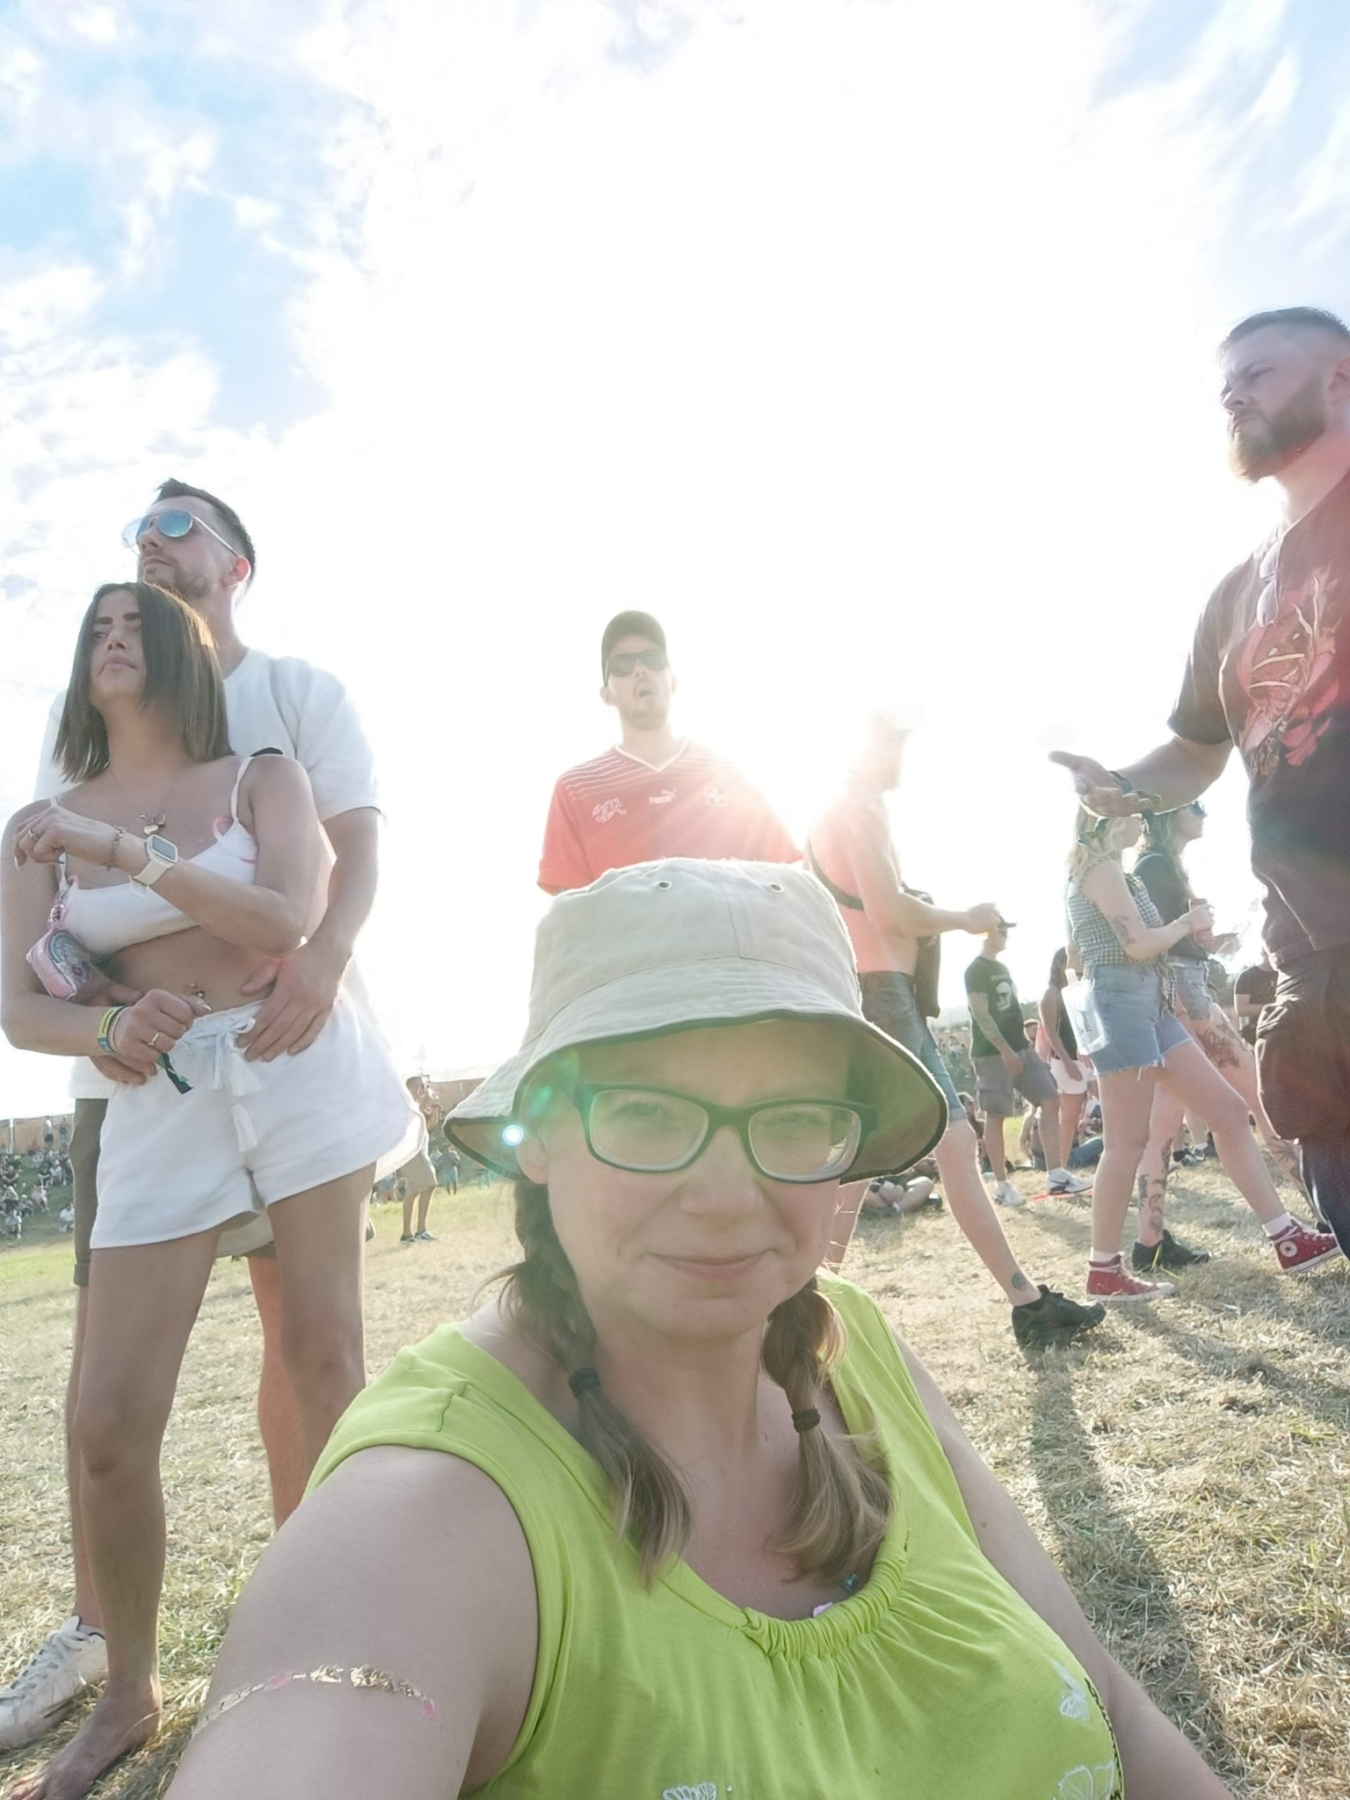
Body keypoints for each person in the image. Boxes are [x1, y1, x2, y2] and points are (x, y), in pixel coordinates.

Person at [169, 859, 1233, 1800]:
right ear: (540, 1138)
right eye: (645, 1111)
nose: (728, 1195)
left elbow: (1121, 1718)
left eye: (794, 1116)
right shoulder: (431, 1512)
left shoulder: (848, 1347)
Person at [0, 480, 412, 1759]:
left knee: (317, 1350)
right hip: (134, 1091)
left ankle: (323, 1626)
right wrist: (100, 1027)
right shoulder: (65, 785)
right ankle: (105, 1654)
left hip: (289, 1045)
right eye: (130, 548)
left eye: (175, 529)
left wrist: (326, 961)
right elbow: (27, 979)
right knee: (108, 1404)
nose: (147, 547)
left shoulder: (286, 707)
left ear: (235, 562)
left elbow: (340, 862)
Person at [1052, 306, 1350, 1261]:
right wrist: (1122, 787)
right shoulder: (1234, 594)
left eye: (1259, 371)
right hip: (1309, 956)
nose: (1234, 393)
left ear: (1339, 381)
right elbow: (1196, 748)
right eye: (1226, 383)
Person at [810, 715, 1103, 1349]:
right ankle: (1026, 1303)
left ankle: (806, 1296)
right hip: (883, 992)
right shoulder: (859, 809)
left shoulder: (837, 815)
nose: (900, 757)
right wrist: (965, 918)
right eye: (894, 742)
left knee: (860, 1156)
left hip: (864, 989)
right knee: (954, 1138)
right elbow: (891, 911)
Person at [1064, 812, 1337, 1303]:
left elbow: (1077, 954)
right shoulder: (1100, 871)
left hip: (1153, 1003)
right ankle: (1103, 1269)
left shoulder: (1112, 872)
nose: (1140, 816)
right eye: (1131, 809)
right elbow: (1138, 943)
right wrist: (1186, 924)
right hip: (1125, 1006)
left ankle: (1285, 1237)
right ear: (1106, 821)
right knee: (1126, 1142)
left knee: (1230, 1113)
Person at [1131, 804, 1305, 1273]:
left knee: (1163, 1127)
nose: (1203, 813)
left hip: (1176, 992)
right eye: (1194, 807)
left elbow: (1167, 937)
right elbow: (1148, 940)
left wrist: (1206, 941)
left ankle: (1149, 1241)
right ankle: (1328, 1213)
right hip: (1183, 992)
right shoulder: (1157, 866)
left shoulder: (1162, 866)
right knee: (1261, 1096)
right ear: (1167, 816)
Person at [538, 611, 798, 893]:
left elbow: (786, 879)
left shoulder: (727, 774)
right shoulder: (576, 789)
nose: (640, 670)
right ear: (606, 694)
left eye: (653, 659)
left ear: (673, 681)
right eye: (622, 664)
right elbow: (569, 911)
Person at [964, 926, 1091, 1204]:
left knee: (1049, 1098)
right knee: (995, 1116)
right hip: (992, 1054)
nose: (1005, 936)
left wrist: (1022, 1047)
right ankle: (1001, 1186)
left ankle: (1057, 1175)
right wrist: (1005, 1050)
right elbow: (980, 1014)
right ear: (986, 934)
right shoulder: (976, 970)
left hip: (1021, 1047)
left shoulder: (1001, 967)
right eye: (1001, 931)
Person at [1038, 946, 1090, 1159]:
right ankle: (1060, 1165)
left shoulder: (1077, 988)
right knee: (1068, 1117)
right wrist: (1068, 1062)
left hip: (1084, 1057)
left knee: (1075, 1115)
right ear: (1060, 963)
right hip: (1065, 1060)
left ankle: (1063, 1164)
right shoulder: (1051, 994)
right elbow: (1051, 1032)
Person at [399, 1078, 442, 1244]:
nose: (425, 1089)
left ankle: (407, 1234)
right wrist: (426, 1101)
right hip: (413, 1152)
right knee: (430, 1184)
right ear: (415, 1087)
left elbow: (431, 1124)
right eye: (422, 1086)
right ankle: (421, 1230)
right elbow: (413, 1116)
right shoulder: (406, 1102)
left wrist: (436, 1105)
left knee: (413, 1191)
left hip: (418, 1151)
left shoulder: (418, 1104)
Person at [1234, 953, 1277, 1047]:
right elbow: (1241, 1009)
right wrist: (1275, 1007)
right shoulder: (1247, 976)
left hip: (1286, 1031)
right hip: (1257, 1034)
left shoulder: (1286, 974)